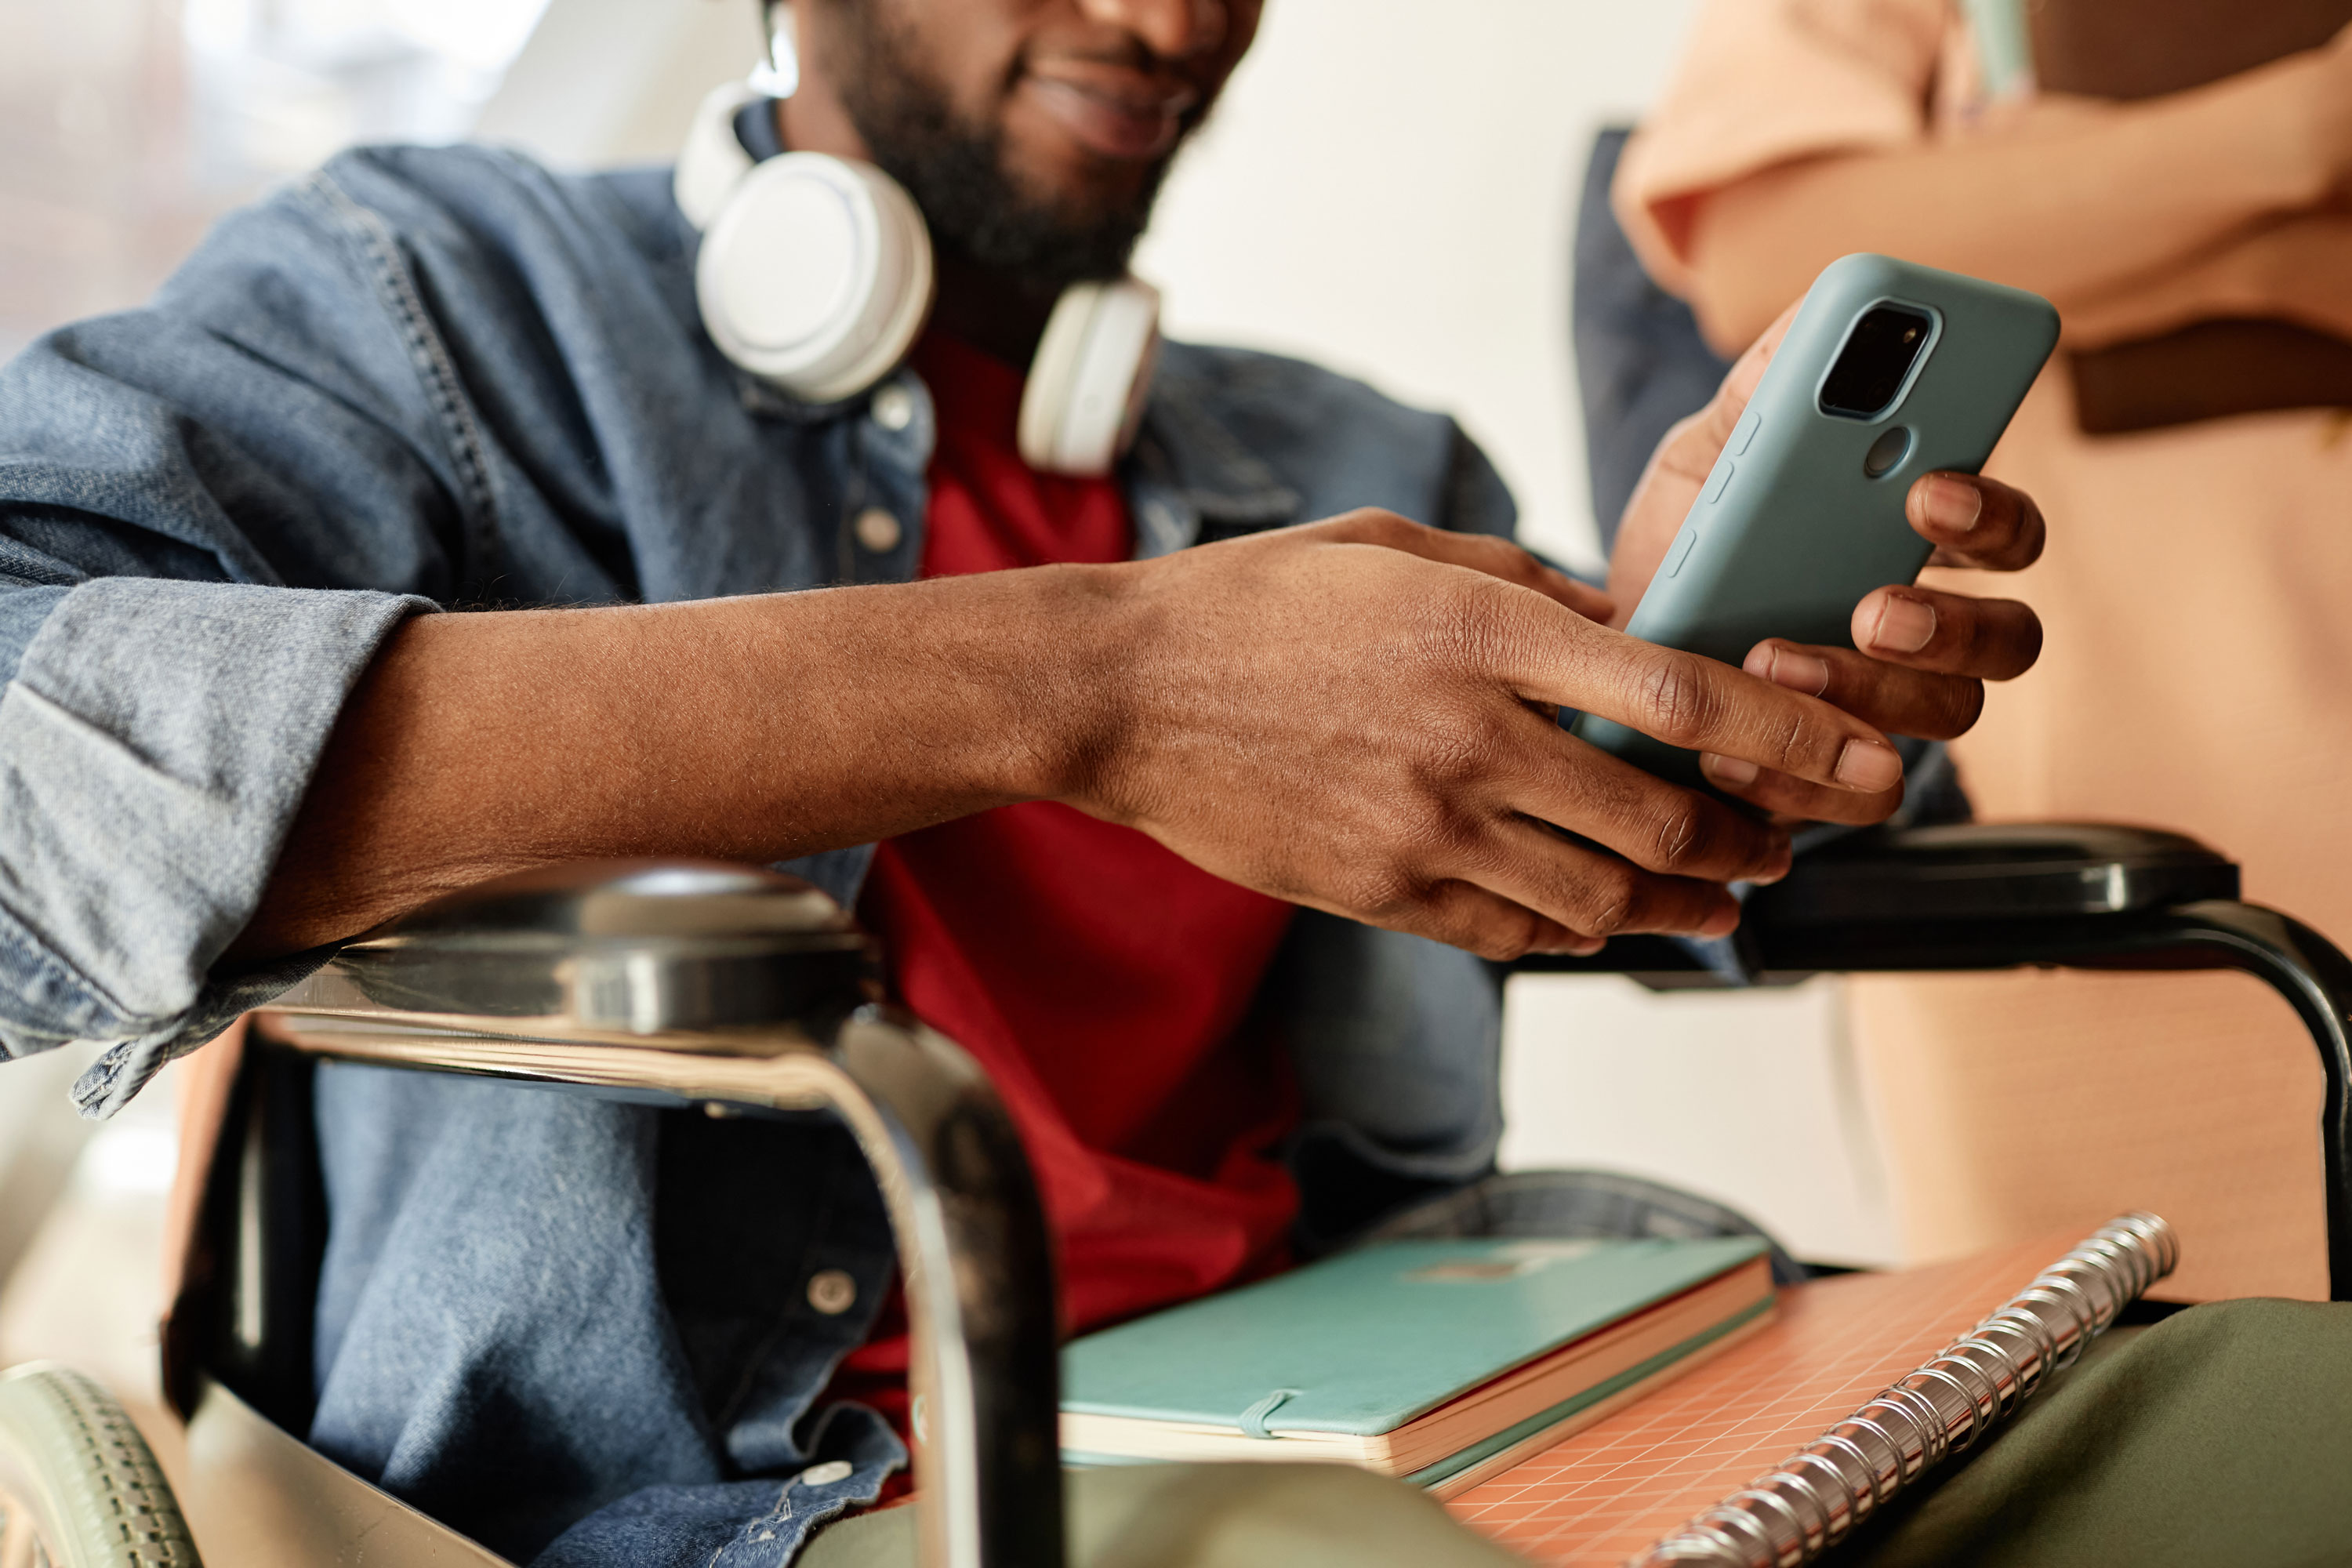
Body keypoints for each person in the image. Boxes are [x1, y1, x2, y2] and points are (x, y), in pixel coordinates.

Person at [0, 0, 2048, 1560]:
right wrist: (1095, 679)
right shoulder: (442, 298)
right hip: (769, 1499)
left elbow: (1673, 878)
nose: (1171, 27)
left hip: (1387, 1386)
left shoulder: (1354, 469)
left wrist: (1709, 694)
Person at [1616, 0, 2352, 1304]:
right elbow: (1770, 254)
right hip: (2108, 894)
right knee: (2133, 1416)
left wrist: (2082, 198)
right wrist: (2291, 151)